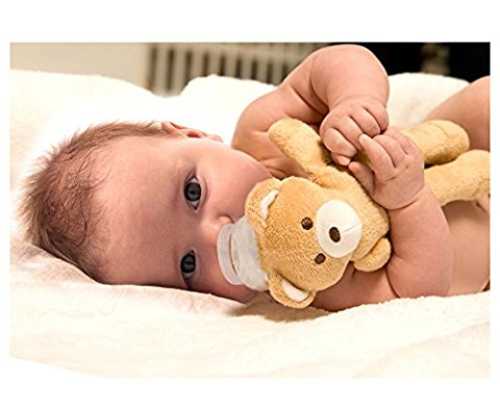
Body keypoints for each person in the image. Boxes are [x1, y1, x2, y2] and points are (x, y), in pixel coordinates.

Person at [20, 45, 490, 312]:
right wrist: (407, 201)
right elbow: (415, 291)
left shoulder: (263, 133)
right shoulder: (308, 278)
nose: (216, 233)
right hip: (479, 254)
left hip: (450, 153)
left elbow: (335, 63)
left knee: (484, 101)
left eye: (193, 193)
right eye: (188, 266)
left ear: (193, 134)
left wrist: (354, 101)